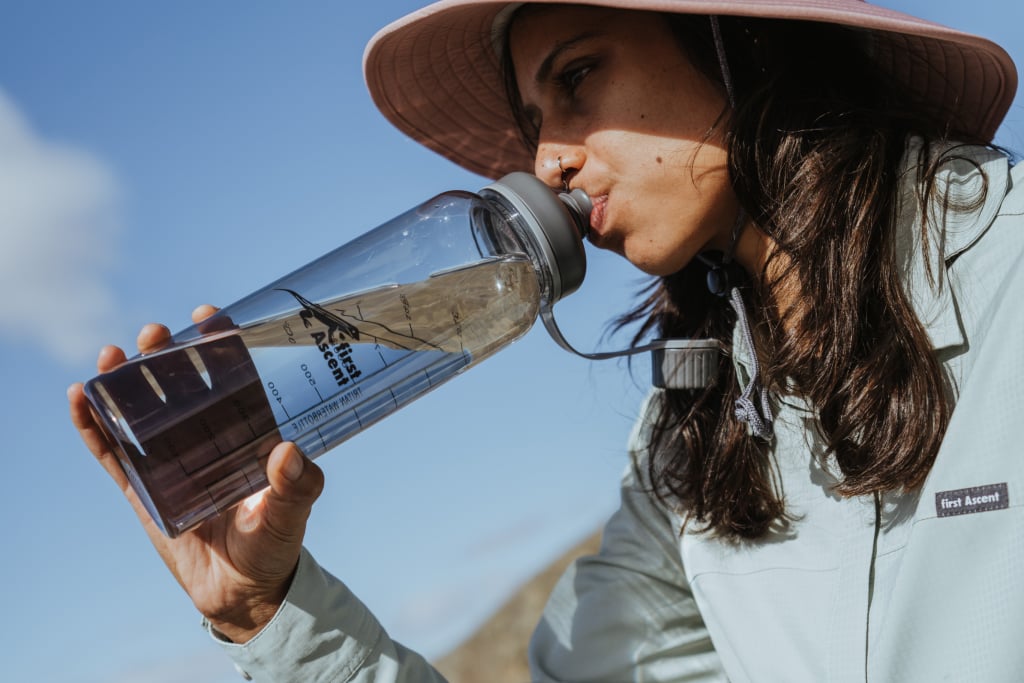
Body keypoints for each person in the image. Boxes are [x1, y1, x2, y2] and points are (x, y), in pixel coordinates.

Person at [68, 0, 1022, 680]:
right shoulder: (694, 440)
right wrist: (265, 611)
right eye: (533, 123)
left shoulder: (1008, 271)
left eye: (577, 78)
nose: (547, 159)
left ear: (736, 38)